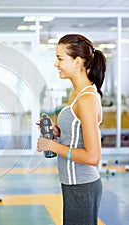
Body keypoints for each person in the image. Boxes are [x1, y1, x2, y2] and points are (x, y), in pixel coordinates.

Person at [37, 34, 106, 225]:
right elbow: (78, 133)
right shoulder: (77, 93)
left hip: (82, 185)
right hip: (72, 183)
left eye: (60, 58)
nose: (55, 64)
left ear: (77, 62)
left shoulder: (86, 98)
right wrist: (58, 132)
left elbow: (92, 157)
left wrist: (51, 145)